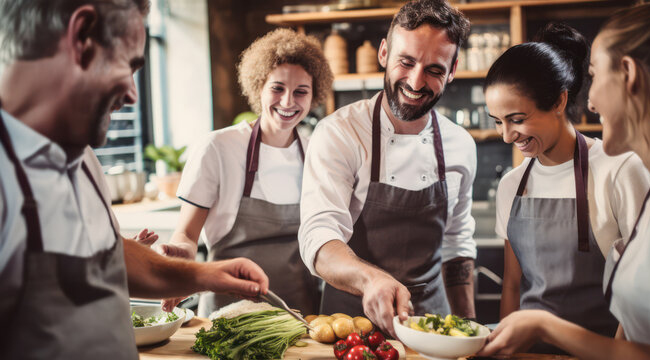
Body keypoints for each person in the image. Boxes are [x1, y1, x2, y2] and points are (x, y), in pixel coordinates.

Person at [0, 1, 269, 358]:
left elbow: (108, 252)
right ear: (81, 36)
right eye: (129, 65)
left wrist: (206, 275)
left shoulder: (84, 159)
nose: (132, 94)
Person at [477, 1, 650, 358]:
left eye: (594, 75)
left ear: (628, 74)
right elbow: (635, 322)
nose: (588, 101)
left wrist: (546, 326)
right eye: (498, 121)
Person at [299, 0, 477, 336]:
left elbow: (457, 244)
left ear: (452, 71)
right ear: (384, 53)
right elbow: (319, 237)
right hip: (349, 327)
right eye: (406, 61)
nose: (415, 81)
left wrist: (468, 330)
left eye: (435, 70)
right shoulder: (340, 133)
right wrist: (371, 279)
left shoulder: (460, 144)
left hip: (432, 328)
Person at [483, 23, 650, 352]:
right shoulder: (512, 186)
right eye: (497, 121)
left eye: (517, 119)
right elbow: (513, 287)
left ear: (559, 102)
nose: (506, 136)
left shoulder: (619, 170)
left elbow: (643, 292)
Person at [148, 28, 333, 317]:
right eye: (277, 88)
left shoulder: (317, 154)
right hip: (227, 316)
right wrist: (180, 260)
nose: (287, 102)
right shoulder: (218, 148)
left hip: (298, 317)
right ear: (258, 86)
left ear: (314, 96)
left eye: (300, 92)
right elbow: (186, 233)